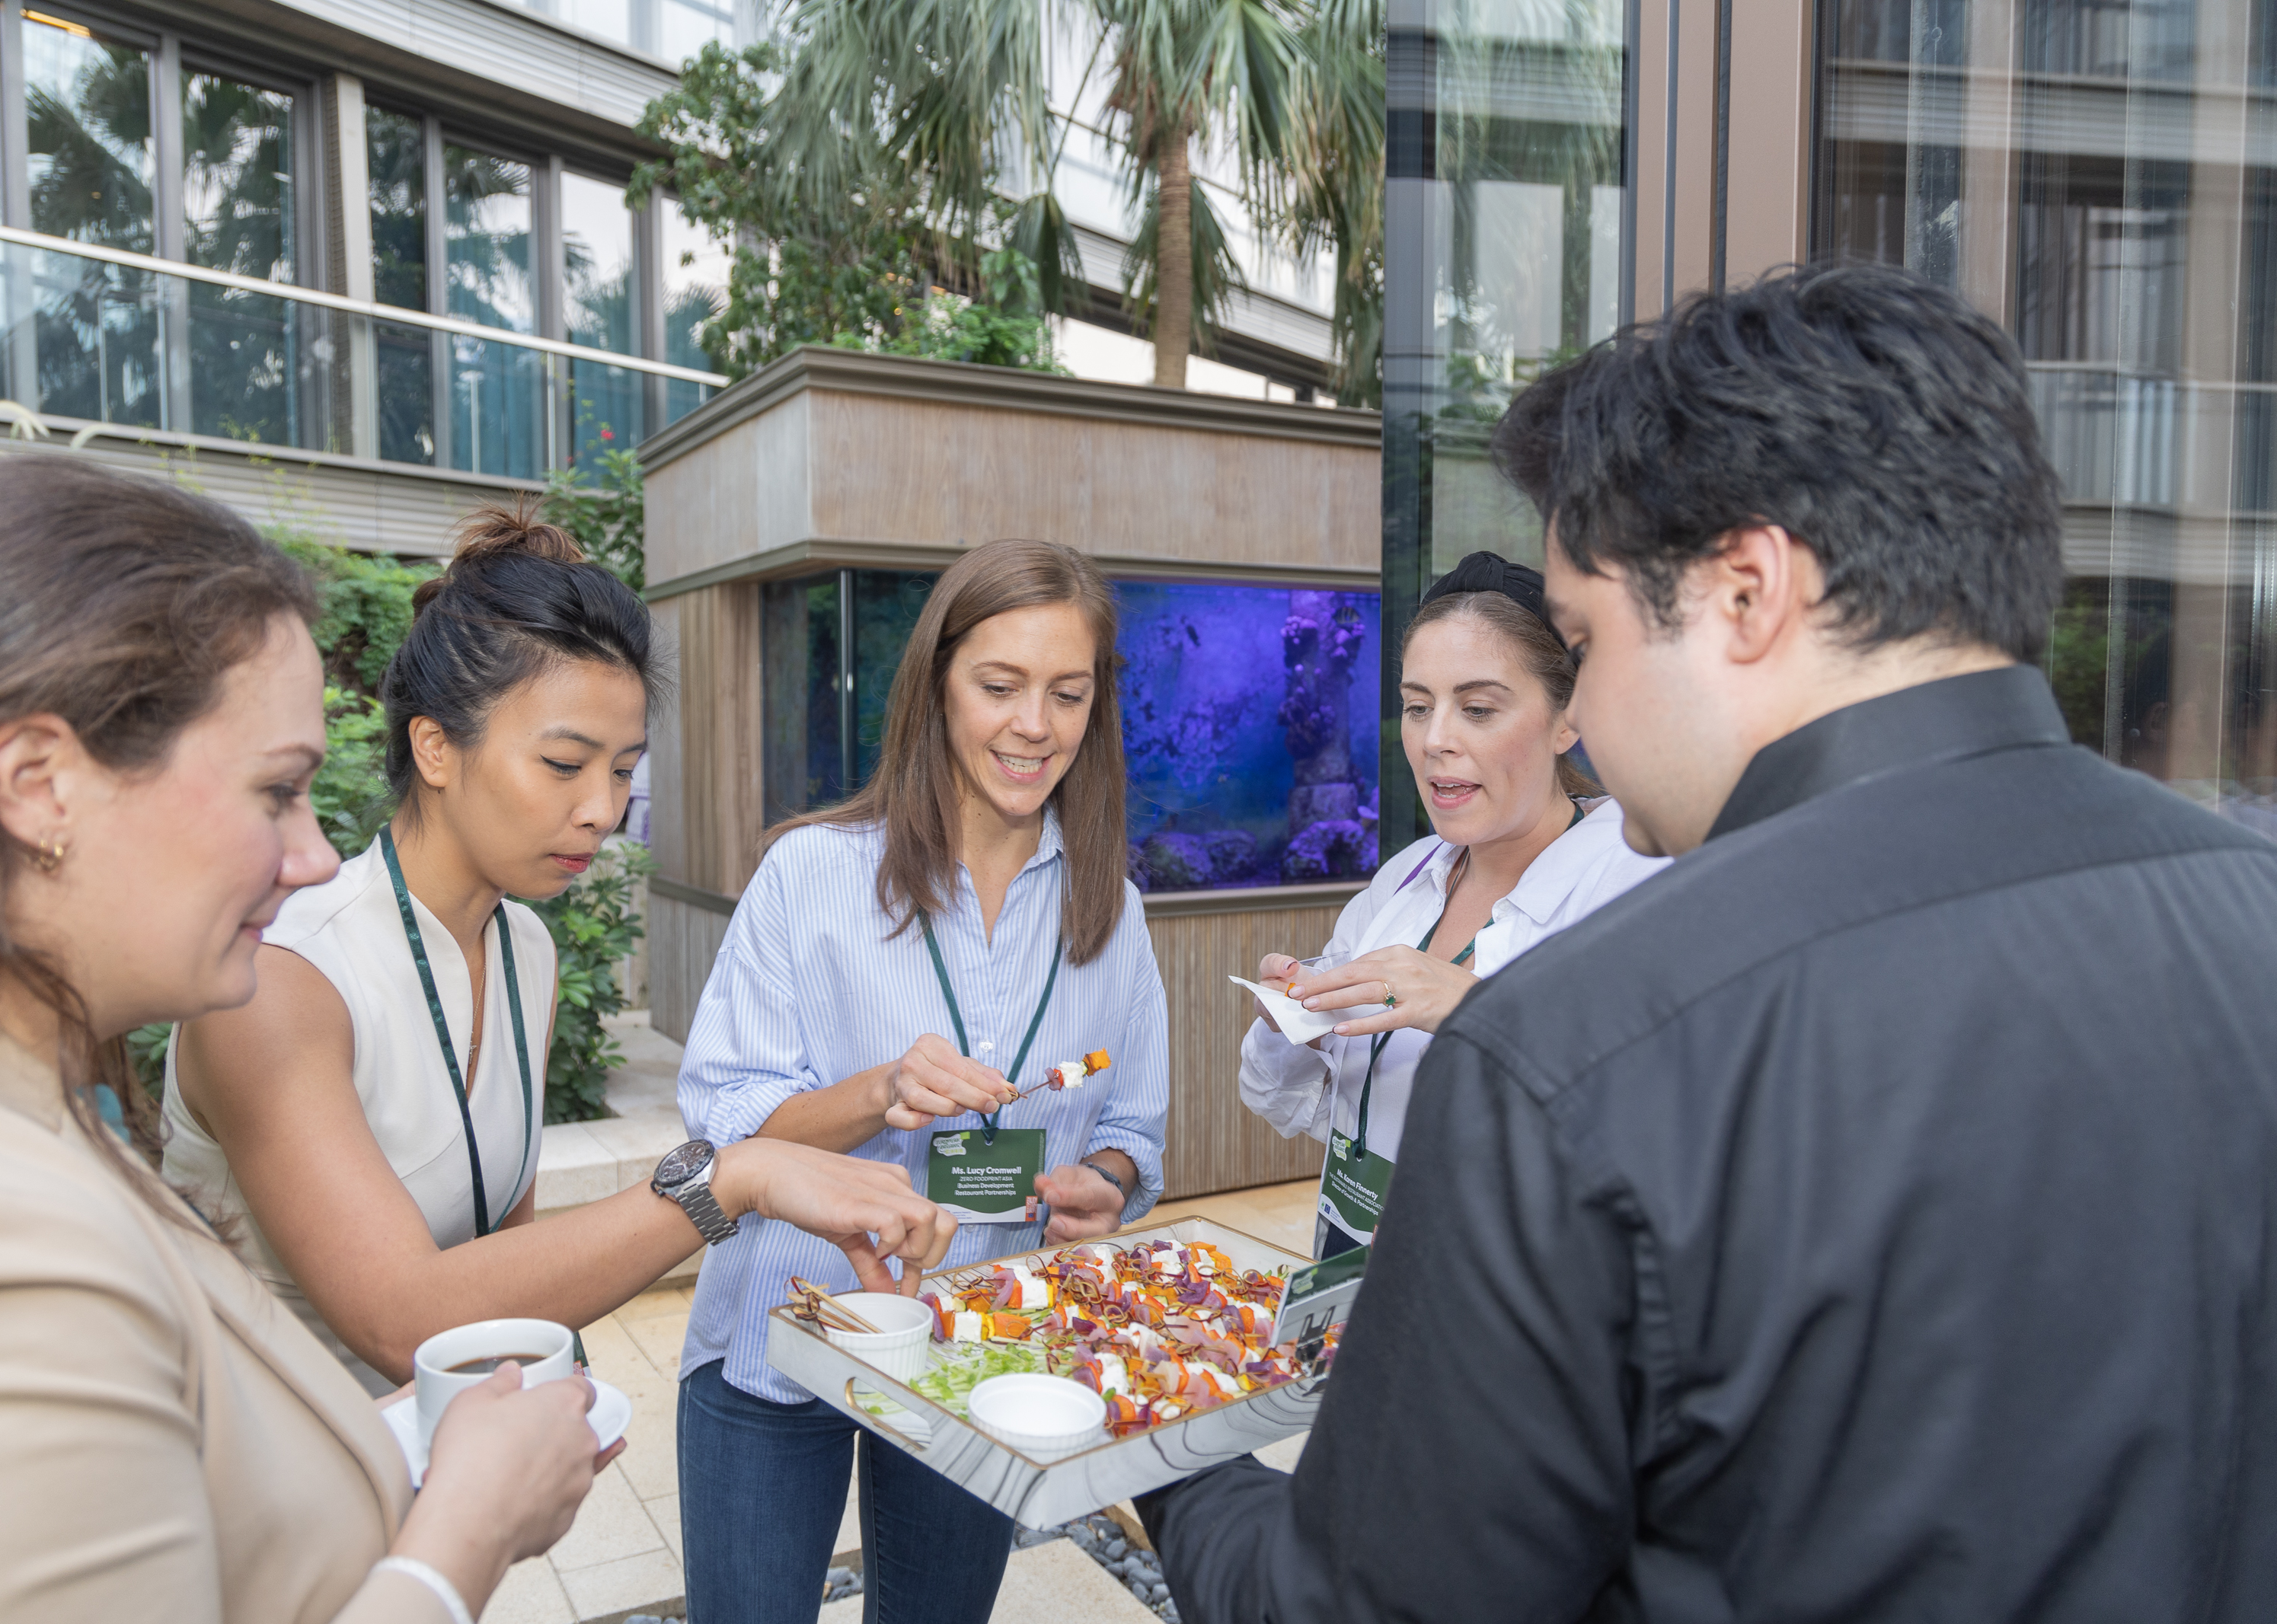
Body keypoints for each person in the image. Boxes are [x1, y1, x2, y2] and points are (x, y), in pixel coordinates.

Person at [1138, 265, 2277, 1620]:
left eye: (1583, 641)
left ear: (1747, 591)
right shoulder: (2247, 904)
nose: (1588, 713)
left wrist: (1165, 1445)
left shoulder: (1580, 1045)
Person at [0, 458, 605, 1623]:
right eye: (275, 792)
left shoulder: (21, 1112)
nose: (308, 855)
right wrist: (466, 1533)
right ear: (39, 785)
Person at [164, 503, 954, 1393]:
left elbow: (511, 1250)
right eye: (563, 764)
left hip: (445, 1473)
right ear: (433, 746)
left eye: (622, 770)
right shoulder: (285, 974)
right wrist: (729, 1178)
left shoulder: (523, 947)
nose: (602, 810)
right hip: (268, 1484)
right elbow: (400, 1319)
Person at [674, 538, 1170, 1624]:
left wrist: (1109, 1176)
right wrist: (874, 1093)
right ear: (937, 683)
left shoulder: (1109, 909)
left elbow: (1134, 1122)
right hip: (784, 1335)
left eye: (1066, 693)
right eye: (999, 685)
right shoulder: (812, 874)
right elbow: (722, 1127)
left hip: (976, 1349)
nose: (1032, 724)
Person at [1239, 552, 1665, 1256]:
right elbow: (1293, 1102)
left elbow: (1660, 1132)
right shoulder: (1404, 880)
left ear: (1568, 719)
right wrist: (1295, 1022)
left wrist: (1478, 1010)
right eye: (1417, 706)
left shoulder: (1634, 888)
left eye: (1477, 708)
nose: (1435, 740)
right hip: (1350, 1255)